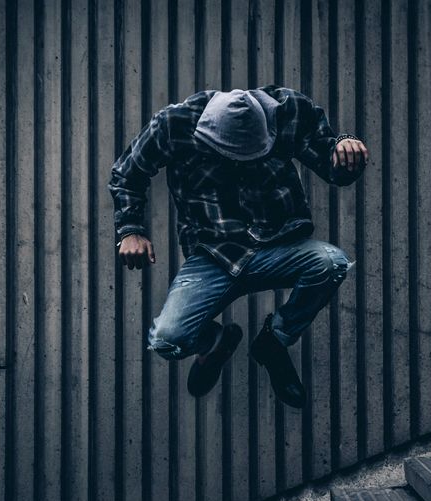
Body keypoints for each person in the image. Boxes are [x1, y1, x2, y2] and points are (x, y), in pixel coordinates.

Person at [109, 86, 369, 409]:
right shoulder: (174, 124)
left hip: (276, 245)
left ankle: (273, 342)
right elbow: (126, 173)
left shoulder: (287, 112)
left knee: (332, 263)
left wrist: (345, 146)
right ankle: (214, 342)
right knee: (166, 340)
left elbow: (331, 162)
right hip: (214, 254)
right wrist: (130, 230)